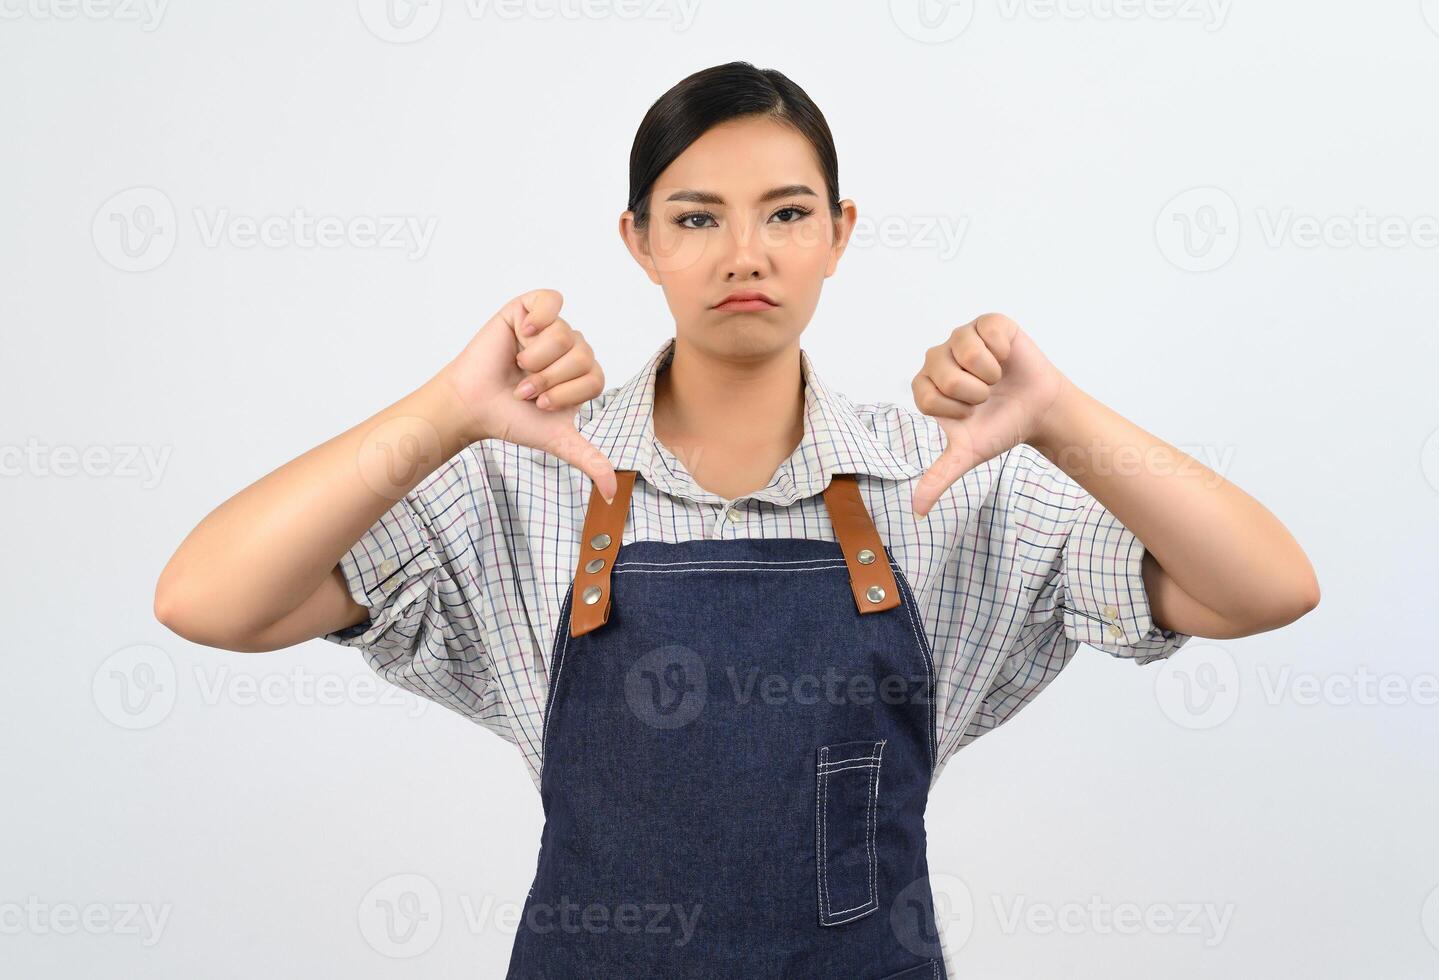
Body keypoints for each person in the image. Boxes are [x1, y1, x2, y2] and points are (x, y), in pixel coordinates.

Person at [154, 61, 1318, 980]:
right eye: (699, 217)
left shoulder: (942, 479)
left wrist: (1059, 417)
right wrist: (444, 412)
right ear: (640, 240)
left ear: (841, 232)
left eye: (787, 212)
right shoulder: (528, 483)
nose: (747, 253)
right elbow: (205, 597)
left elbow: (1267, 585)